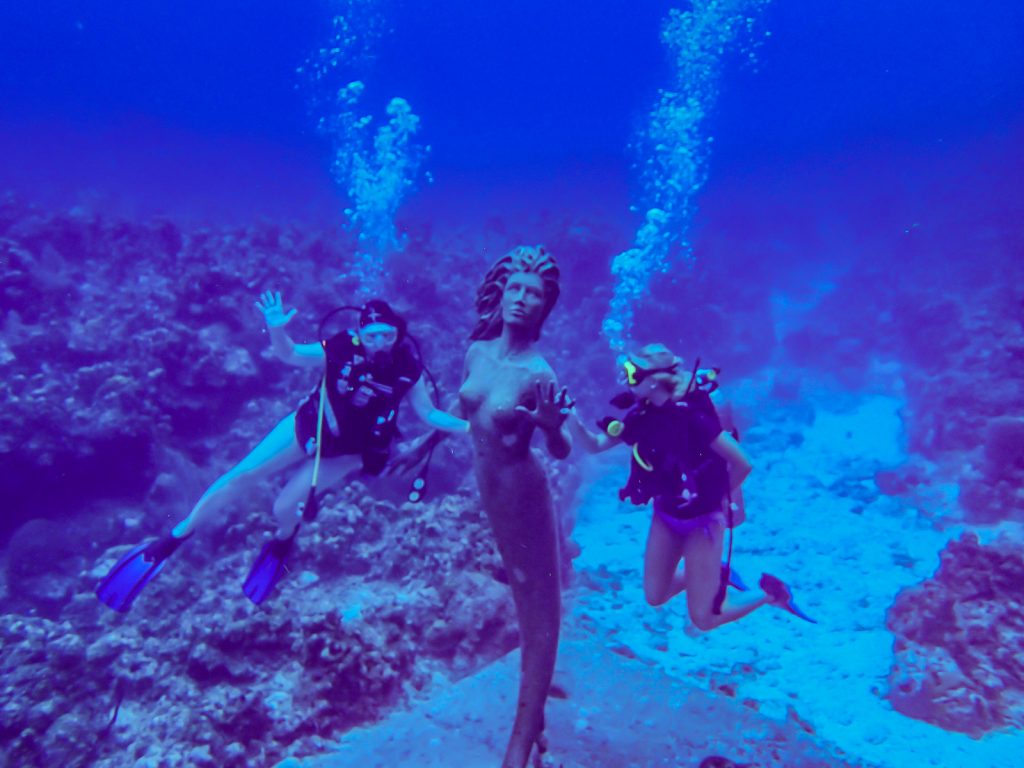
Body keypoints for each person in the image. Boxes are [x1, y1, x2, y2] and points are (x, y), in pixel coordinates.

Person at [96, 291, 468, 612]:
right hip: (308, 426)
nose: (380, 343)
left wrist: (469, 425)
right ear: (359, 334)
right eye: (372, 335)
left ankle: (283, 540)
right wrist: (276, 327)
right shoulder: (339, 349)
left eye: (388, 335)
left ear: (399, 334)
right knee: (241, 476)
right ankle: (174, 538)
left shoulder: (408, 368)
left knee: (283, 509)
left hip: (349, 452)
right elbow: (290, 354)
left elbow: (429, 413)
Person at [393, 245, 571, 768]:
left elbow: (557, 449)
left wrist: (553, 429)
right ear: (502, 293)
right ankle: (532, 718)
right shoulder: (478, 352)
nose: (521, 299)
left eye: (533, 295)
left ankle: (520, 741)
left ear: (545, 308)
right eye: (515, 289)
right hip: (488, 489)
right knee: (519, 597)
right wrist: (423, 445)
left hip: (524, 493)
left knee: (539, 611)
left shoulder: (541, 374)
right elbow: (463, 410)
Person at [567, 343, 814, 632]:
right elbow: (594, 446)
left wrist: (719, 499)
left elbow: (744, 463)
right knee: (655, 596)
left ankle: (771, 593)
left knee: (704, 619)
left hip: (704, 522)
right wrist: (568, 416)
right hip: (666, 515)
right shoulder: (641, 417)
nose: (626, 380)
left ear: (655, 381)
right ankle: (713, 573)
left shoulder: (694, 420)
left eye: (633, 374)